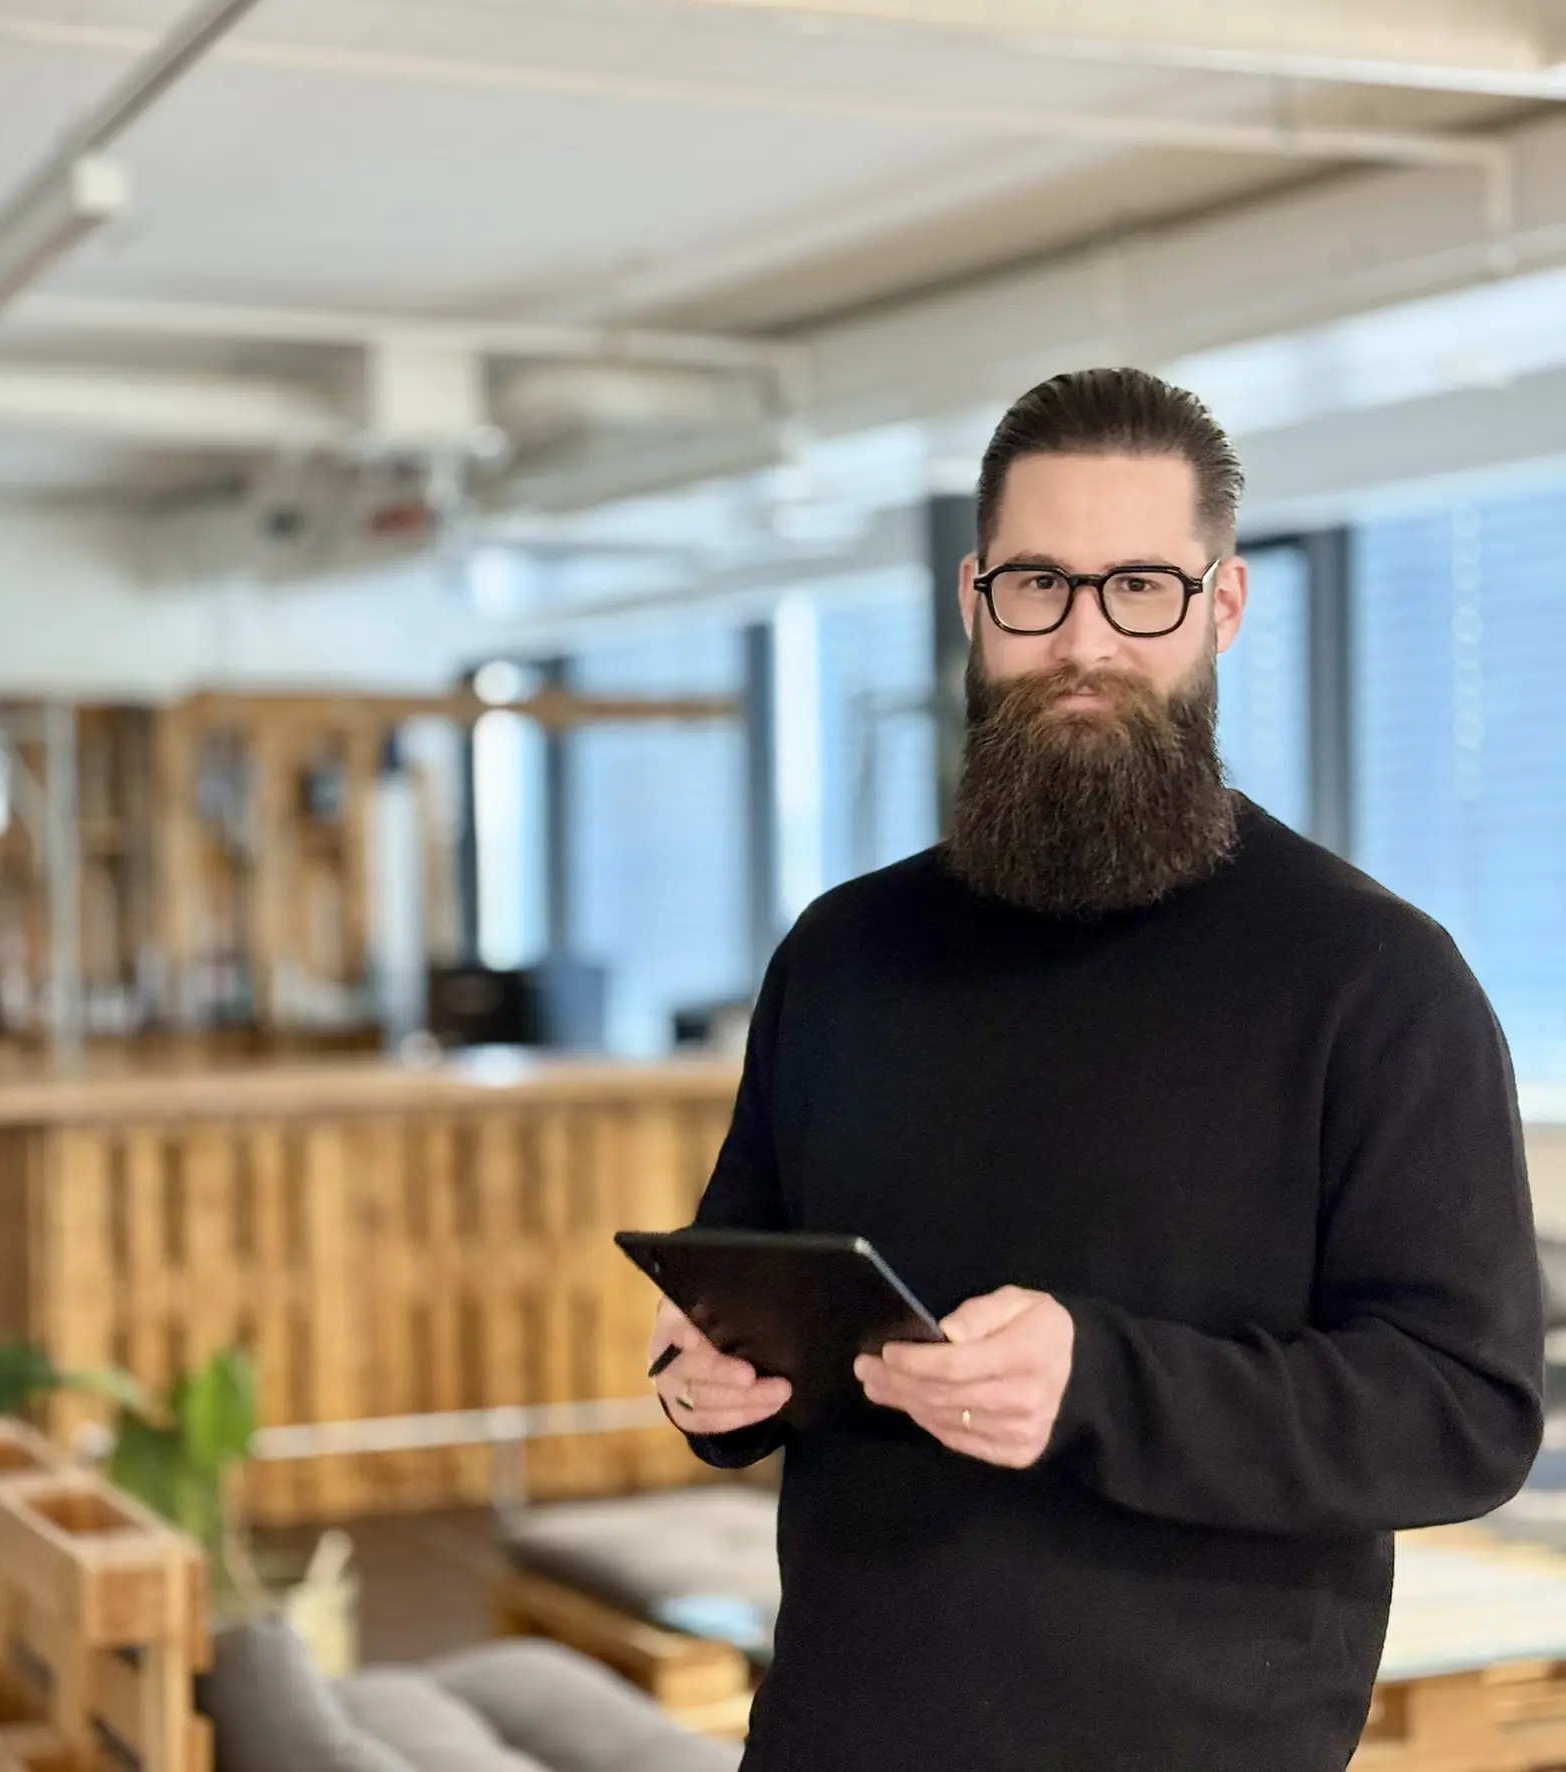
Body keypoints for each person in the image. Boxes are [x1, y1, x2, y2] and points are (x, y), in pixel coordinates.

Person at [647, 367, 1544, 1771]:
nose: (1083, 640)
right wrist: (706, 1380)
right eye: (1038, 587)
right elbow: (747, 1273)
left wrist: (1102, 1384)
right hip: (834, 1730)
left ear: (1222, 607)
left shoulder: (1374, 981)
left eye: (1139, 589)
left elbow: (1464, 1414)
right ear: (972, 599)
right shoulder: (841, 953)